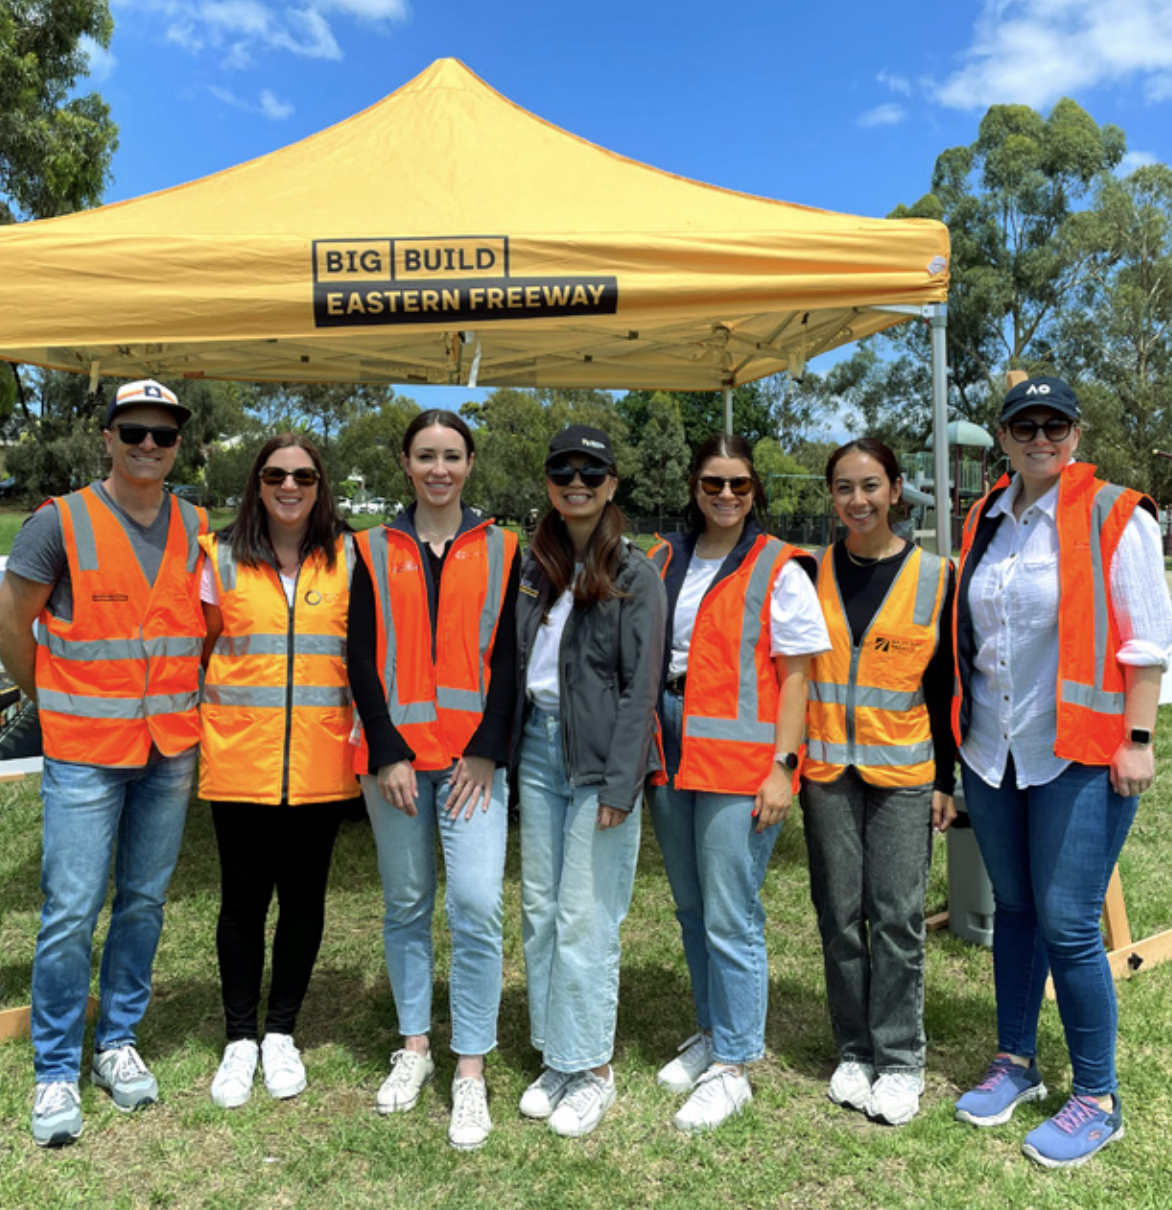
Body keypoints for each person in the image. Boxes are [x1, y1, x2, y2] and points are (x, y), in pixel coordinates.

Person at [952, 376, 1172, 1168]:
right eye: (1024, 425)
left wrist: (1138, 738)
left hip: (1079, 749)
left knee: (1070, 922)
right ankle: (1016, 1061)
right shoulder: (986, 517)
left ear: (1076, 432)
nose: (1039, 437)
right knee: (1014, 909)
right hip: (993, 748)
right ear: (1003, 436)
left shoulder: (1118, 516)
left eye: (1055, 424)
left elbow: (1147, 641)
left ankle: (1098, 1097)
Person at [0, 380, 207, 1147]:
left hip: (168, 749)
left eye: (164, 434)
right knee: (69, 913)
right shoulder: (58, 523)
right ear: (109, 437)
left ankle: (116, 1041)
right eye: (135, 432)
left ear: (179, 444)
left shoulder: (195, 523)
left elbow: (197, 629)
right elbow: (10, 624)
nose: (149, 445)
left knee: (145, 903)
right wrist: (47, 700)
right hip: (85, 751)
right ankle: (55, 1068)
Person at [647, 433, 829, 1132]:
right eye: (713, 484)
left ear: (757, 492)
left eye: (740, 486)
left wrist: (784, 767)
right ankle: (713, 1031)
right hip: (671, 743)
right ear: (693, 487)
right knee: (692, 908)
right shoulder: (665, 557)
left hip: (744, 756)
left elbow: (796, 677)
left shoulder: (780, 566)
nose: (726, 496)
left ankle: (737, 1064)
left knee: (731, 910)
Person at [348, 409, 519, 1151]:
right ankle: (415, 1047)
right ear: (405, 464)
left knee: (477, 906)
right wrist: (385, 749)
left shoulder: (505, 549)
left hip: (471, 764)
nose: (439, 468)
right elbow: (357, 654)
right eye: (426, 456)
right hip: (395, 765)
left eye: (452, 455)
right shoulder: (370, 547)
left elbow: (511, 661)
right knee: (407, 902)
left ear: (471, 464)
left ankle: (471, 1069)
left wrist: (487, 748)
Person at [514, 425, 666, 1139]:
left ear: (611, 484)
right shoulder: (533, 565)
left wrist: (620, 785)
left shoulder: (637, 574)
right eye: (561, 470)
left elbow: (641, 692)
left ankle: (593, 1068)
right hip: (539, 755)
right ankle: (558, 1054)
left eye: (591, 471)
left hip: (599, 764)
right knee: (541, 911)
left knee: (587, 916)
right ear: (548, 482)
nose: (575, 481)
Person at [199, 434, 357, 1109]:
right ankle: (240, 1037)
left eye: (303, 475)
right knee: (241, 904)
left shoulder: (350, 557)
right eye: (274, 474)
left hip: (320, 766)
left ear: (321, 485)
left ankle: (280, 1031)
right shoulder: (220, 556)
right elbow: (198, 648)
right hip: (240, 762)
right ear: (256, 483)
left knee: (303, 903)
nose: (289, 486)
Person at [801, 438, 956, 1127]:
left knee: (895, 917)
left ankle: (899, 1060)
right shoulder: (809, 572)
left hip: (904, 774)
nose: (857, 501)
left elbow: (948, 683)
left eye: (870, 486)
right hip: (828, 771)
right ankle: (855, 1049)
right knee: (839, 915)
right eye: (843, 488)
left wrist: (949, 779)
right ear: (831, 496)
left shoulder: (933, 577)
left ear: (896, 489)